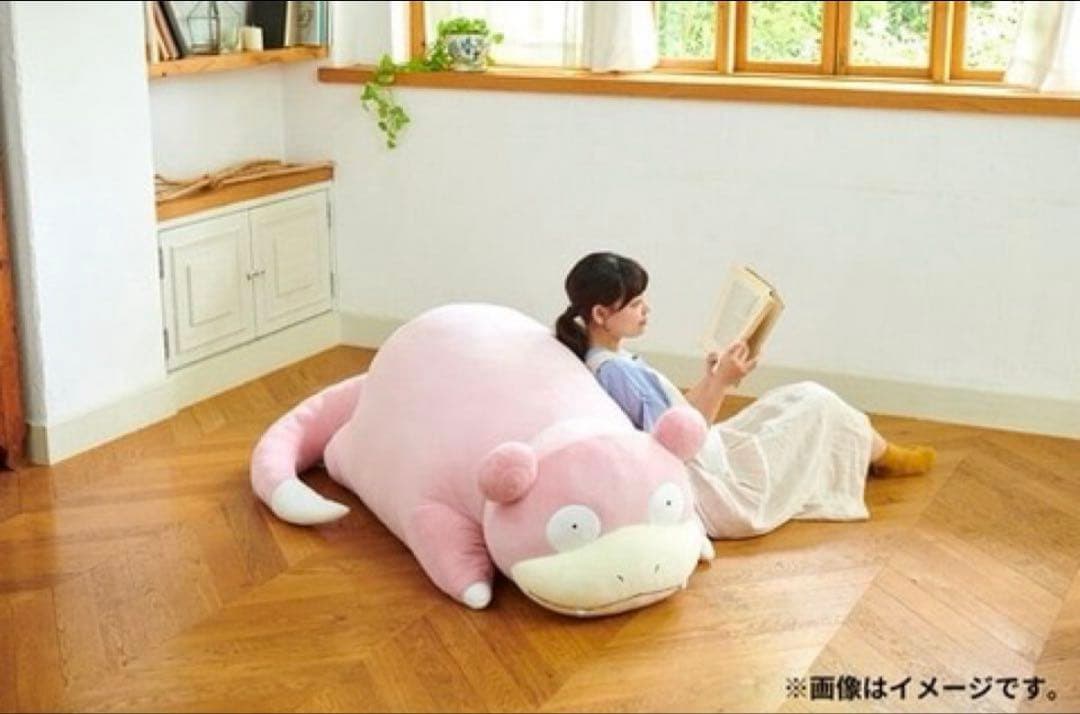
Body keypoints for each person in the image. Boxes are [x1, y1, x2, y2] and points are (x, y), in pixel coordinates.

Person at [554, 252, 936, 539]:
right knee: (816, 401)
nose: (646, 309)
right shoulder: (615, 372)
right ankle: (887, 457)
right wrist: (721, 383)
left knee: (797, 398)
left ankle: (880, 454)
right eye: (636, 304)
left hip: (704, 454)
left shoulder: (608, 359)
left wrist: (712, 378)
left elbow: (675, 416)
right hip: (710, 484)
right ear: (600, 314)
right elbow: (677, 446)